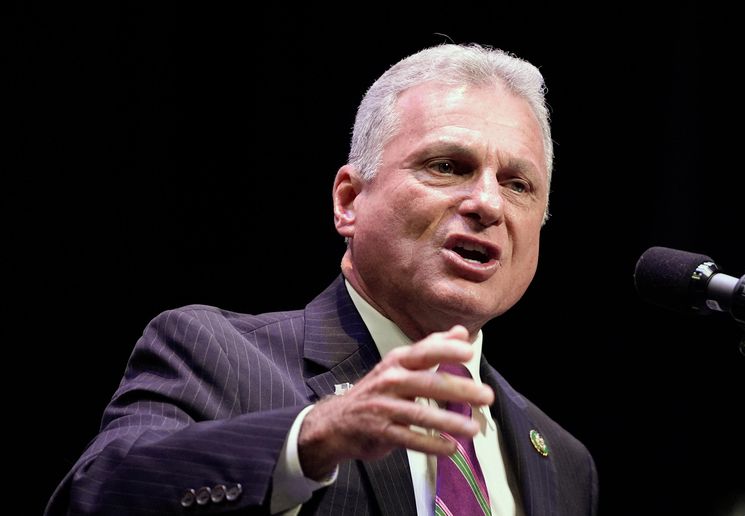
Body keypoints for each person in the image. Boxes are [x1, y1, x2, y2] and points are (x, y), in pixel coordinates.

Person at [46, 43, 598, 515]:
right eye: (447, 166)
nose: (486, 203)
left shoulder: (564, 460)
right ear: (349, 201)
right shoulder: (214, 354)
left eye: (518, 184)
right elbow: (94, 495)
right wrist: (308, 439)